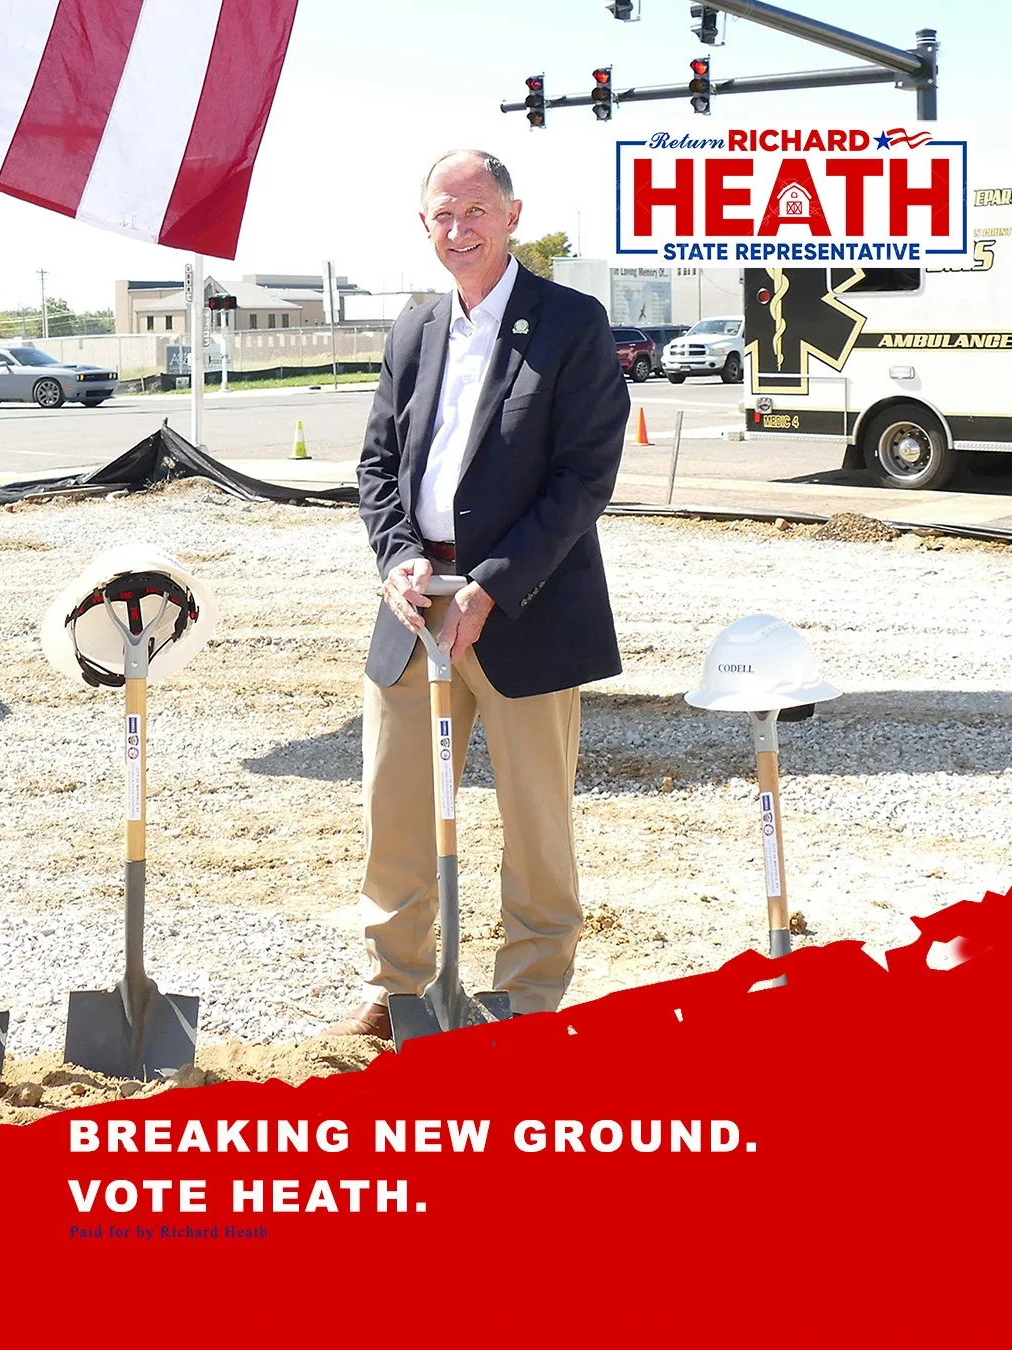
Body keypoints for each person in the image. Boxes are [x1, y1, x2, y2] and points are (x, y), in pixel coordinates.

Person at [330, 148, 630, 1039]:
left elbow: (583, 478)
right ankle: (399, 987)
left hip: (524, 607)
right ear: (424, 226)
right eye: (441, 216)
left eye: (475, 212)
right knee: (397, 811)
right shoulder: (414, 329)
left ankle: (529, 997)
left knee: (536, 819)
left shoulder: (570, 322)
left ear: (511, 216)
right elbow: (378, 464)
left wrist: (492, 587)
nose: (458, 230)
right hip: (418, 606)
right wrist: (397, 557)